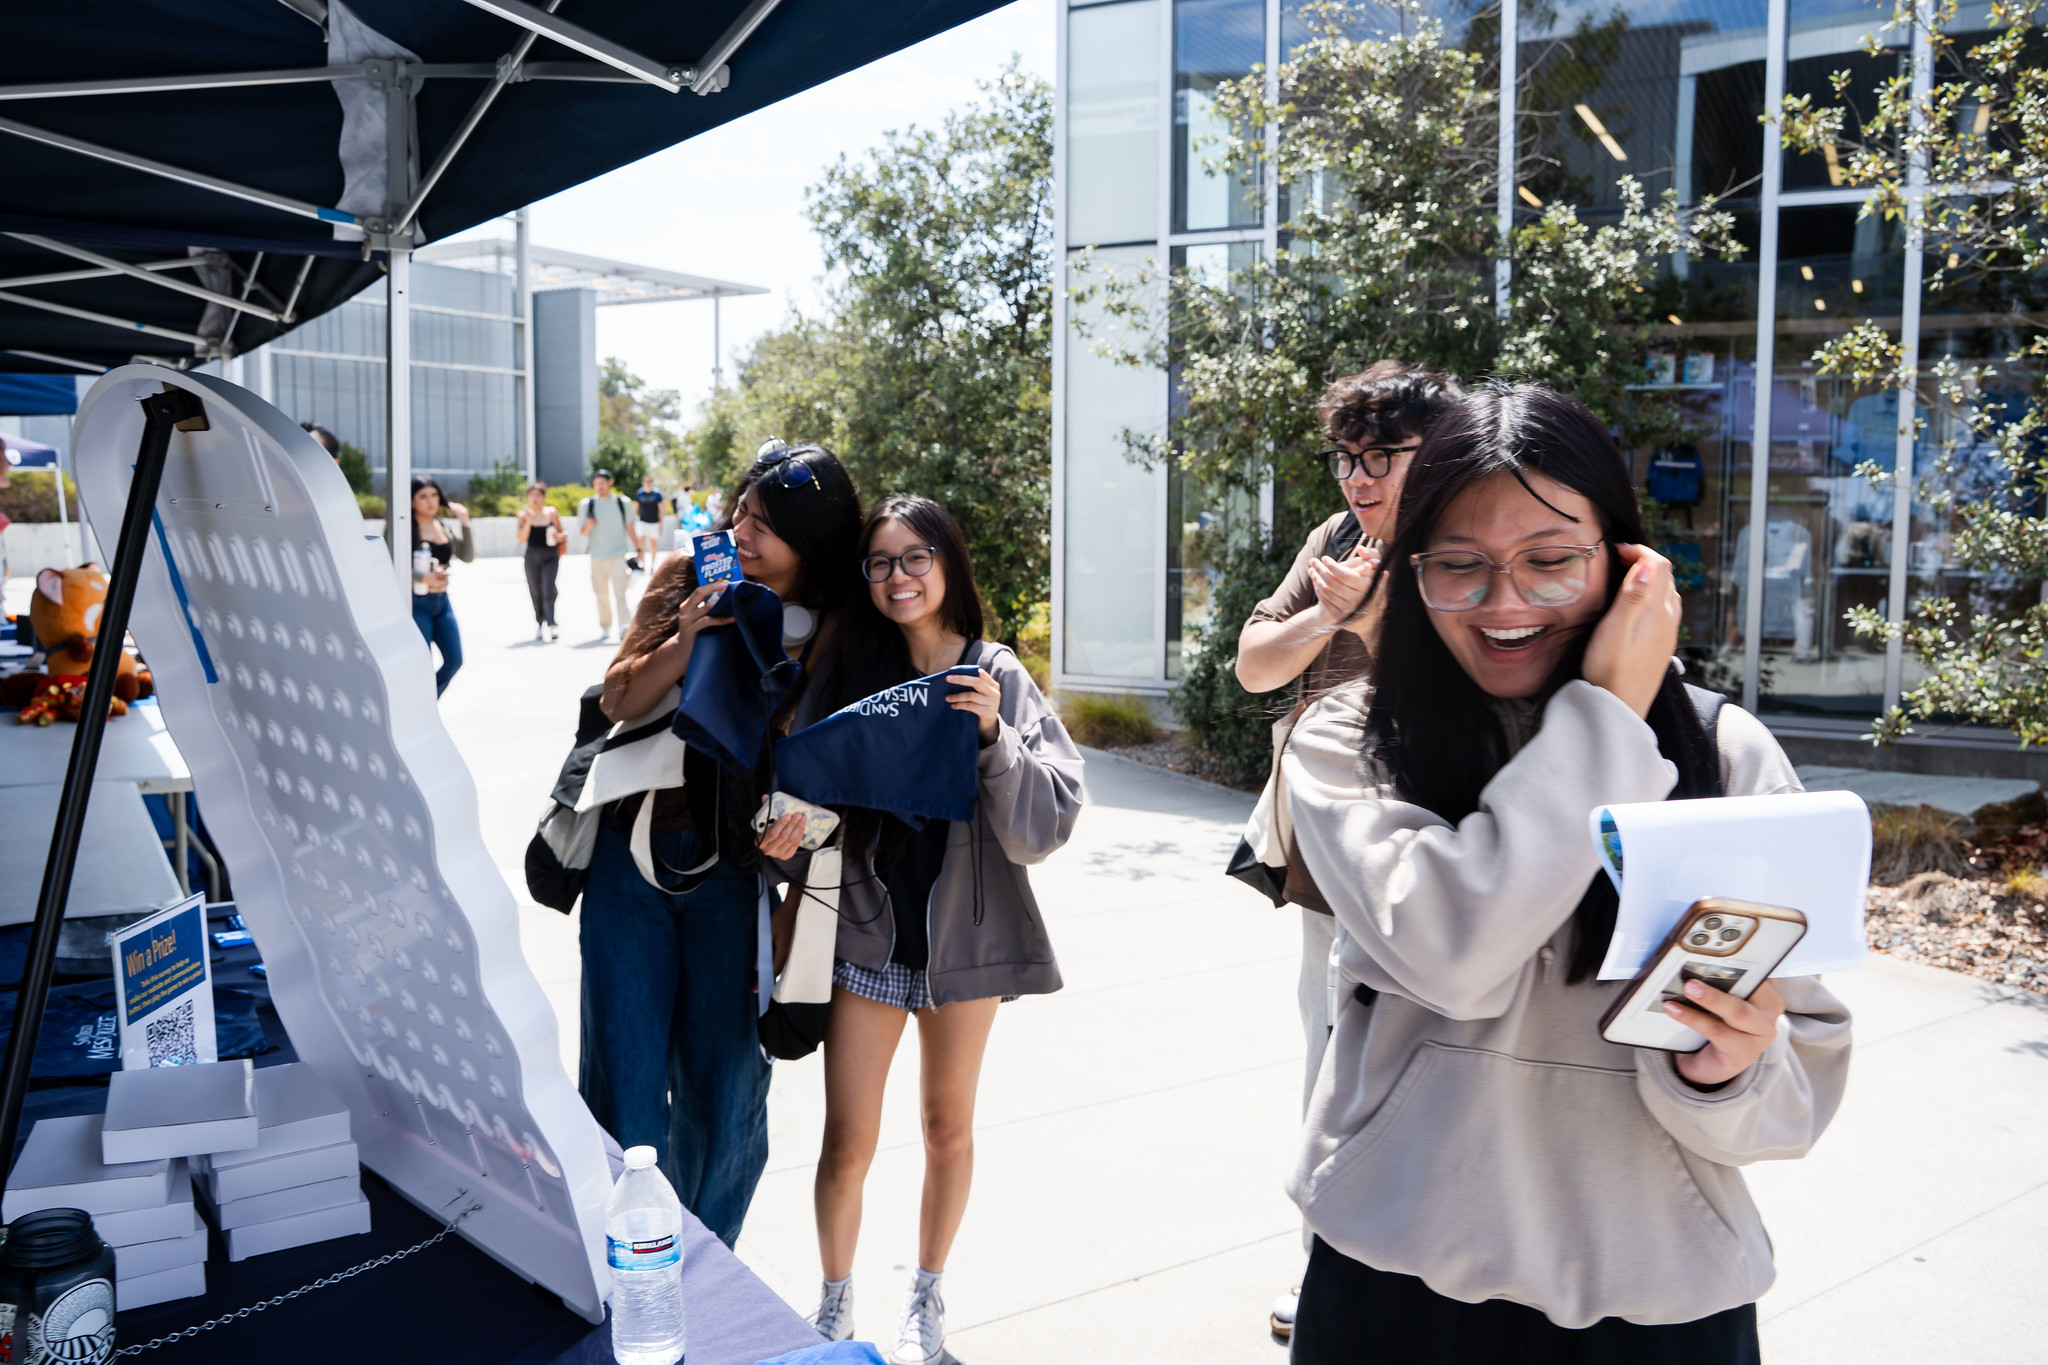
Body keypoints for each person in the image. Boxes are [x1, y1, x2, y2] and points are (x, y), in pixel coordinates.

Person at [1282, 382, 1852, 1363]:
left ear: (1624, 565)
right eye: (1458, 565)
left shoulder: (1724, 759)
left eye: (1548, 562)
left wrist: (1727, 1074)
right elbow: (1452, 951)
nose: (1503, 603)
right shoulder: (1351, 742)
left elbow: (1797, 1092)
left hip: (1656, 1302)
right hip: (1392, 1288)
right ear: (1411, 577)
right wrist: (1607, 716)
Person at [775, 496, 1085, 1365]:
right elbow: (805, 804)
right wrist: (785, 835)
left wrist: (991, 733)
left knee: (948, 1127)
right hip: (869, 936)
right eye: (880, 561)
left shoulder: (997, 675)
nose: (898, 575)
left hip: (966, 946)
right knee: (847, 1141)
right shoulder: (848, 675)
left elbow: (1043, 827)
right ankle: (833, 1310)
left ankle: (926, 1301)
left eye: (915, 557)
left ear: (948, 564)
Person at [587, 440, 864, 1248]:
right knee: (627, 1088)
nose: (742, 530)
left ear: (810, 542)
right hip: (629, 862)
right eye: (741, 510)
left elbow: (841, 767)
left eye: (765, 524)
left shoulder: (838, 634)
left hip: (734, 881)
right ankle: (627, 1264)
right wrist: (687, 634)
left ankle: (707, 1270)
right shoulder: (686, 578)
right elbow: (618, 696)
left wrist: (805, 825)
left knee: (725, 1090)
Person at [1232, 360, 1458, 1339]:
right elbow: (1251, 663)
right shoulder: (1335, 542)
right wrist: (1327, 615)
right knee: (1327, 1048)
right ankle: (1323, 1262)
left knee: (1428, 1058)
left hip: (1434, 848)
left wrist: (1373, 618)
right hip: (1327, 842)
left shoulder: (1464, 545)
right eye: (1345, 459)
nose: (1358, 479)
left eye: (1381, 458)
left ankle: (1430, 1266)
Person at [382, 477, 472, 696]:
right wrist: (422, 578)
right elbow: (387, 564)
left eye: (434, 495)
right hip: (417, 603)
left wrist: (465, 523)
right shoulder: (402, 527)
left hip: (442, 603)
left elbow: (467, 556)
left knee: (455, 660)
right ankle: (419, 708)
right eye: (423, 496)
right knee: (421, 664)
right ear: (412, 501)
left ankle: (426, 704)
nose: (430, 501)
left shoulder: (442, 525)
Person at [579, 469, 636, 641]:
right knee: (601, 593)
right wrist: (588, 526)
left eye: (602, 483)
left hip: (618, 554)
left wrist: (639, 550)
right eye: (596, 484)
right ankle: (605, 625)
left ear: (610, 483)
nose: (599, 487)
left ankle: (624, 625)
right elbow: (582, 532)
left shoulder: (622, 502)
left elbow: (630, 527)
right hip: (597, 555)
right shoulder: (586, 504)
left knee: (620, 591)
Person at [516, 482, 565, 642]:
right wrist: (529, 521)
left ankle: (552, 623)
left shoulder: (551, 513)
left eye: (538, 495)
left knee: (548, 589)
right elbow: (521, 538)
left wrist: (559, 537)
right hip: (532, 557)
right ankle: (539, 622)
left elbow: (561, 532)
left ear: (543, 497)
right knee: (535, 591)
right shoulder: (523, 515)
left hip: (550, 555)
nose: (535, 498)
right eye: (532, 495)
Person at [635, 473, 667, 568]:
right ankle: (643, 565)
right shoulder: (639, 493)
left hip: (654, 523)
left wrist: (661, 523)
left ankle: (652, 566)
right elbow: (635, 508)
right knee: (641, 544)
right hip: (642, 522)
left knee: (653, 545)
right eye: (646, 481)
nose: (648, 483)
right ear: (643, 482)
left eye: (650, 481)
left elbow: (662, 510)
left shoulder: (657, 494)